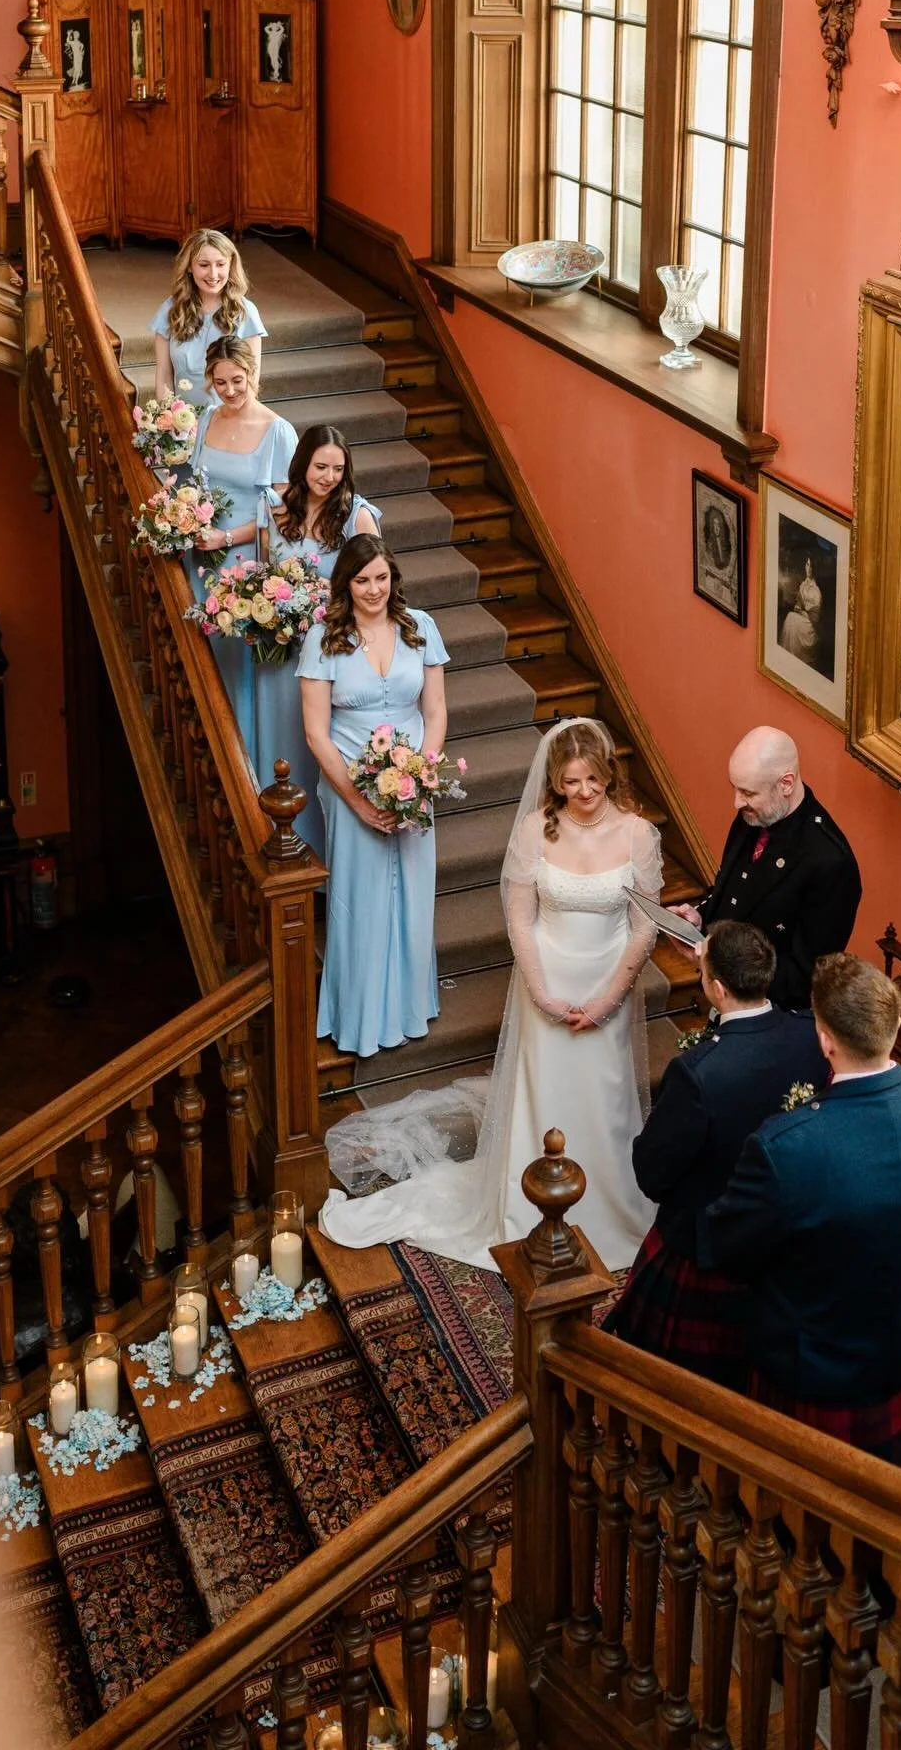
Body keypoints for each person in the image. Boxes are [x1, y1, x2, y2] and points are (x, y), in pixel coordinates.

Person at [318, 717, 663, 1270]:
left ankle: (609, 1208)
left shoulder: (637, 835)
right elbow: (520, 919)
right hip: (546, 981)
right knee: (544, 1095)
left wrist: (608, 1000)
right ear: (554, 782)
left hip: (607, 986)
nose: (585, 793)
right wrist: (542, 993)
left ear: (609, 775)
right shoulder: (534, 831)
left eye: (594, 780)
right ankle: (525, 1212)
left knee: (607, 1100)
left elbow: (645, 925)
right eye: (572, 783)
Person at [700, 954, 901, 1471]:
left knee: (795, 1512)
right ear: (896, 1027)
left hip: (814, 1374)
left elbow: (726, 1251)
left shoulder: (785, 1145)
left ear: (824, 1040)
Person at [605, 922, 827, 1388]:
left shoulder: (697, 1073)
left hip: (705, 1245)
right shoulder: (810, 1036)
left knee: (666, 1379)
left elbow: (652, 1173)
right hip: (780, 1241)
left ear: (717, 989)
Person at [298, 536, 449, 1059]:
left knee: (412, 889)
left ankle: (409, 1006)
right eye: (362, 580)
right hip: (348, 783)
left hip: (412, 782)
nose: (373, 590)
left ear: (393, 577)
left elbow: (435, 713)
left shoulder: (420, 627)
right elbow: (317, 733)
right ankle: (360, 1016)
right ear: (346, 584)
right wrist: (360, 802)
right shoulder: (322, 639)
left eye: (381, 578)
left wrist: (420, 777)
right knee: (358, 898)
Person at [671, 727, 861, 1013]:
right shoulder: (754, 815)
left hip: (770, 1018)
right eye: (735, 788)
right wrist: (699, 919)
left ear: (786, 783)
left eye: (747, 792)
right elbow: (732, 893)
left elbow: (805, 977)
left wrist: (718, 964)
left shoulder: (830, 862)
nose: (736, 802)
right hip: (725, 997)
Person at [255, 425, 381, 853]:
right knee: (285, 749)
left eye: (338, 469)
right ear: (302, 463)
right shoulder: (277, 509)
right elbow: (263, 571)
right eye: (320, 466)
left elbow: (375, 587)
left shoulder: (355, 516)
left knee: (321, 754)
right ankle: (285, 849)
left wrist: (319, 593)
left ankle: (329, 860)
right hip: (281, 653)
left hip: (331, 651)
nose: (329, 476)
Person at [186, 337, 298, 760]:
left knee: (237, 670)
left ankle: (245, 762)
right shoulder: (208, 418)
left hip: (242, 566)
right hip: (200, 558)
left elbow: (284, 515)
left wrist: (226, 538)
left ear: (253, 374)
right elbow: (197, 484)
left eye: (238, 380)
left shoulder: (277, 431)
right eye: (220, 383)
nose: (230, 391)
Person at [149, 228, 265, 404]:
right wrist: (170, 421)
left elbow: (251, 381)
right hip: (184, 423)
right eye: (204, 265)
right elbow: (164, 375)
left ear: (231, 264)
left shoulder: (245, 312)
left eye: (220, 264)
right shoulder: (170, 310)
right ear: (189, 266)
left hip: (229, 419)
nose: (213, 274)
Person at [778, 556, 823, 664]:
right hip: (802, 617)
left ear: (814, 568)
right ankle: (788, 654)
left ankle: (792, 656)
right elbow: (799, 602)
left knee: (791, 618)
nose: (809, 569)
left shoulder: (816, 590)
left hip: (810, 624)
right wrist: (798, 607)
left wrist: (802, 612)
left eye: (811, 566)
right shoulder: (803, 585)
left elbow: (815, 617)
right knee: (791, 617)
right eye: (807, 565)